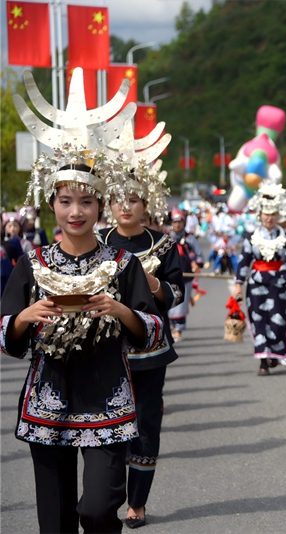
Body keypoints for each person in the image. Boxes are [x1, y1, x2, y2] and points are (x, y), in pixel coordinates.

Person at [1, 68, 163, 533]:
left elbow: (153, 330)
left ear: (100, 206)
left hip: (108, 397)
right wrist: (26, 317)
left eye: (87, 203)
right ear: (52, 203)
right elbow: (5, 328)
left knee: (95, 509)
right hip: (48, 395)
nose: (76, 211)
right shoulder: (32, 263)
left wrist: (120, 311)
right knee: (53, 519)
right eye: (67, 201)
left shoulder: (122, 263)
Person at [98, 124, 180, 529]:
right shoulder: (97, 242)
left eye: (133, 199)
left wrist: (153, 284)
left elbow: (178, 293)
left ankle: (137, 502)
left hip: (149, 350)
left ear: (147, 203)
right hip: (103, 346)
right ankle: (106, 494)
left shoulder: (164, 244)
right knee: (109, 421)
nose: (125, 207)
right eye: (117, 200)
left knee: (146, 421)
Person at [233, 182, 286, 375]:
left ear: (278, 215)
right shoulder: (252, 237)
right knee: (259, 321)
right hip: (257, 284)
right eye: (266, 214)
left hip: (279, 284)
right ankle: (263, 360)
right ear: (260, 214)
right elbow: (244, 262)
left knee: (278, 321)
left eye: (273, 214)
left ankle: (274, 353)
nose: (269, 218)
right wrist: (238, 286)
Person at [167, 209, 203, 342]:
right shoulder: (165, 238)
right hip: (168, 277)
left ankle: (178, 329)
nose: (177, 225)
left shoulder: (190, 239)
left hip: (185, 277)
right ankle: (170, 327)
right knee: (168, 302)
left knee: (181, 303)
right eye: (175, 222)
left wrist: (196, 264)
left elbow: (199, 255)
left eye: (180, 222)